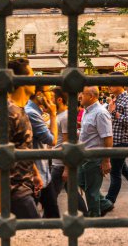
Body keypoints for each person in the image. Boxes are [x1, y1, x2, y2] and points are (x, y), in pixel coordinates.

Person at [0, 58, 43, 219]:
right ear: (22, 80)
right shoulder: (8, 112)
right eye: (32, 75)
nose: (35, 80)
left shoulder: (20, 109)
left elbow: (23, 146)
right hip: (15, 192)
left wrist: (34, 172)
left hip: (24, 187)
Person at [50, 87, 88, 215]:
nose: (48, 102)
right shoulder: (60, 115)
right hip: (58, 161)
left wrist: (66, 168)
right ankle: (86, 215)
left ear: (59, 100)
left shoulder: (65, 117)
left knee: (50, 196)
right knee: (72, 192)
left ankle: (47, 220)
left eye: (51, 99)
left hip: (60, 163)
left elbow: (68, 144)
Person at [25, 85, 60, 218]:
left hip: (43, 173)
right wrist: (52, 114)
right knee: (40, 217)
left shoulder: (34, 112)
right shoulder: (32, 113)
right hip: (36, 173)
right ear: (39, 94)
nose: (50, 94)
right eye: (47, 91)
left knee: (52, 214)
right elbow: (52, 140)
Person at [78, 86, 114, 217]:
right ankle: (105, 204)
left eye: (82, 93)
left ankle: (94, 217)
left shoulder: (100, 113)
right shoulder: (87, 111)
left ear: (91, 96)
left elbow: (108, 137)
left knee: (91, 191)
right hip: (84, 157)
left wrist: (106, 160)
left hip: (95, 157)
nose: (79, 96)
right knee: (80, 181)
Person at [106, 72, 128, 206]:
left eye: (111, 82)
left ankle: (109, 201)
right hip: (114, 140)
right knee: (123, 169)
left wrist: (114, 112)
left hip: (122, 141)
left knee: (115, 172)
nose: (109, 86)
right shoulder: (115, 99)